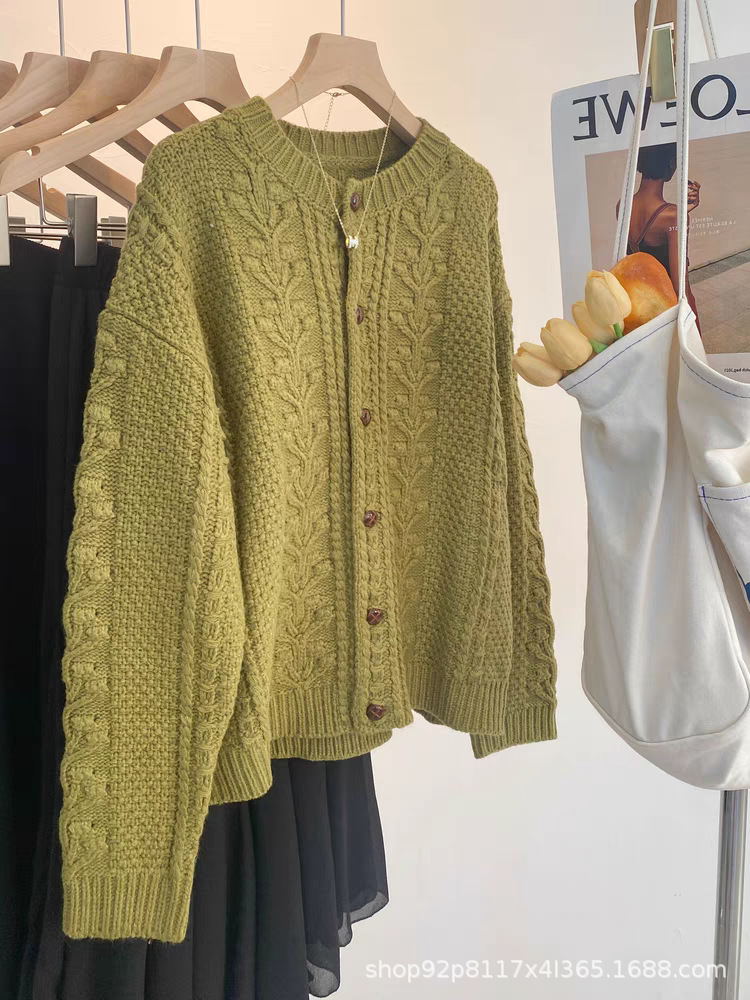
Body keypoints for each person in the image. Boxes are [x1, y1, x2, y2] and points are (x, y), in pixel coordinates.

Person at [617, 142, 702, 332]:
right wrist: (694, 329)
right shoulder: (673, 216)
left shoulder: (622, 205)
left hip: (636, 306)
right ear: (671, 164)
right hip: (663, 309)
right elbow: (681, 288)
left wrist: (681, 216)